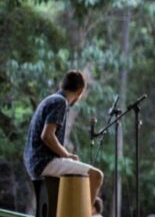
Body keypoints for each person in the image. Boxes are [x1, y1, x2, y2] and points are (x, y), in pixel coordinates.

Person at [23, 70, 104, 205]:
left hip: (34, 161)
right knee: (96, 176)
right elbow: (47, 136)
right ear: (80, 92)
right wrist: (66, 155)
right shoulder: (60, 102)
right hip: (43, 161)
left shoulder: (51, 99)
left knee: (77, 176)